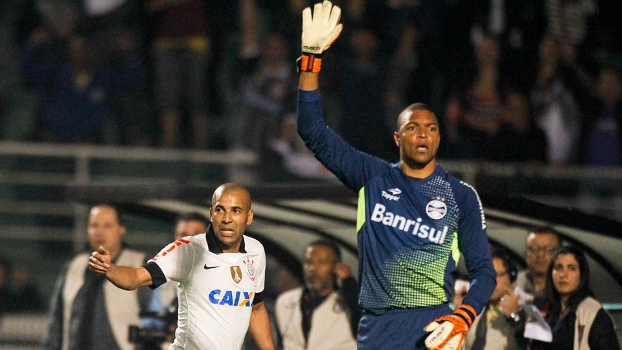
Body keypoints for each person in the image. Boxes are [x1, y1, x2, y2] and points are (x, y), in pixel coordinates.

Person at [294, 2, 496, 349]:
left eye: (430, 128)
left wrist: (463, 317)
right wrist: (311, 61)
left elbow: (485, 274)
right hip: (376, 332)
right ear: (397, 137)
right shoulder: (373, 177)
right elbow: (311, 129)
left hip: (434, 330)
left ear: (438, 138)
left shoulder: (460, 195)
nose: (422, 133)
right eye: (413, 127)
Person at [88, 183, 276, 350]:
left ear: (249, 216)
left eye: (236, 210)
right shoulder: (188, 250)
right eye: (220, 210)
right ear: (211, 213)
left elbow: (256, 308)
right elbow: (136, 277)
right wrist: (109, 268)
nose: (227, 218)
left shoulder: (255, 251)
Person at [42, 204, 152, 350]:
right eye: (94, 225)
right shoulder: (73, 266)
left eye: (107, 226)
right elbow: (56, 323)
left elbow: (155, 319)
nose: (99, 232)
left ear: (121, 229)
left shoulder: (138, 264)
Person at [139, 211, 210, 347]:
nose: (189, 241)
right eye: (183, 235)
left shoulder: (224, 275)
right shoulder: (161, 277)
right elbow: (151, 321)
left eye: (196, 235)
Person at [275, 240, 360, 350]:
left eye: (322, 262)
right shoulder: (286, 302)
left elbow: (368, 329)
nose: (313, 268)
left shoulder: (349, 301)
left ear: (337, 267)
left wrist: (349, 283)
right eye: (309, 262)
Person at [531, 246, 620, 350]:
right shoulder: (545, 308)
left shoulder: (592, 313)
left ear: (581, 275)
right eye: (558, 267)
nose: (563, 275)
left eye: (572, 268)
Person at [463, 248, 528, 350]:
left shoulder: (528, 305)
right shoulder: (474, 310)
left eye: (496, 275)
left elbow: (529, 343)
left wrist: (515, 317)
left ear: (511, 276)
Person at [515, 227, 561, 314]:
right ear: (526, 254)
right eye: (534, 248)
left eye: (549, 249)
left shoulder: (566, 289)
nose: (540, 254)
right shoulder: (512, 284)